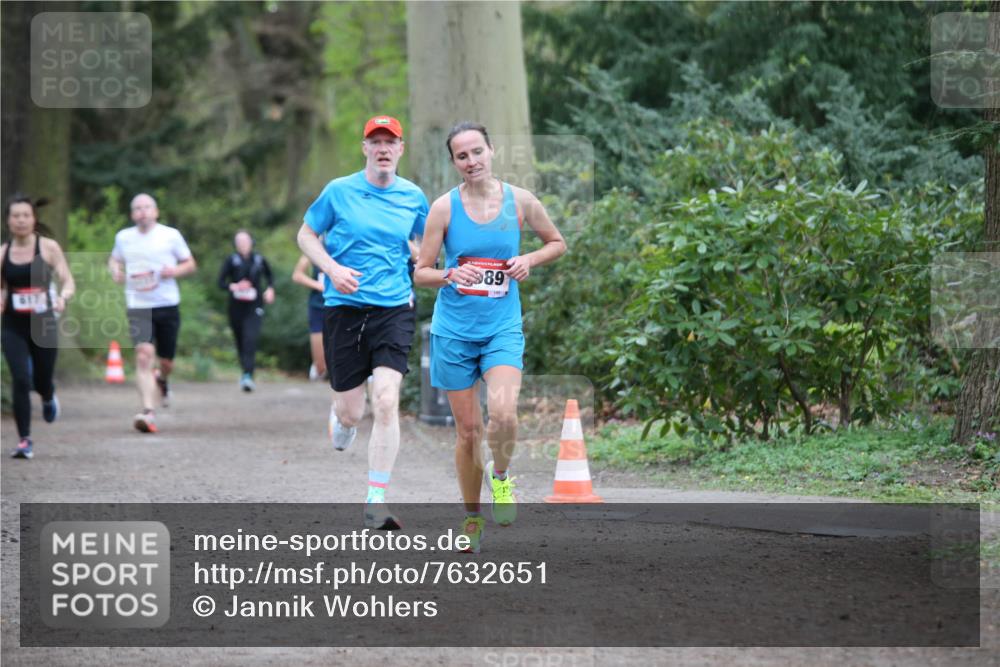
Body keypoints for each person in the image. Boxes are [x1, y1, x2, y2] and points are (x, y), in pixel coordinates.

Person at [414, 122, 566, 553]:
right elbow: (420, 272)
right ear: (454, 163)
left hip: (501, 326)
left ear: (491, 150)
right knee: (467, 432)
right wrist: (447, 273)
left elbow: (557, 242)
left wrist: (529, 260)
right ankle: (471, 519)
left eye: (477, 151)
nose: (472, 161)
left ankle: (501, 478)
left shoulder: (520, 201)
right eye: (462, 156)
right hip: (454, 333)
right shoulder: (443, 209)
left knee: (503, 415)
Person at [297, 115, 428, 530]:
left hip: (393, 307)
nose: (384, 149)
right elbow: (305, 236)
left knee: (387, 399)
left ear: (401, 149)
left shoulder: (413, 197)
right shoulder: (339, 191)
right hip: (344, 307)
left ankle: (376, 500)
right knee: (353, 412)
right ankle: (342, 419)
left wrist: (423, 256)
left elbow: (425, 243)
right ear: (365, 148)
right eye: (377, 142)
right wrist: (332, 270)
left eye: (391, 142)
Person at [108, 193, 196, 433]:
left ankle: (163, 379)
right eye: (137, 208)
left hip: (166, 303)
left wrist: (174, 271)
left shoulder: (170, 235)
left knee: (166, 361)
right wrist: (115, 271)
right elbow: (114, 260)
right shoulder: (124, 237)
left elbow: (190, 263)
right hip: (138, 304)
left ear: (155, 212)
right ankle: (148, 411)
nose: (142, 211)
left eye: (147, 207)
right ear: (132, 214)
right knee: (144, 354)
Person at [0, 195, 75, 459]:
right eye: (15, 216)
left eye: (25, 215)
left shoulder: (48, 247)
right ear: (8, 221)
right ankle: (24, 440)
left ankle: (47, 395)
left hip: (43, 323)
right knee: (21, 379)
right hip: (12, 326)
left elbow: (67, 282)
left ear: (34, 219)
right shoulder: (3, 253)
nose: (21, 220)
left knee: (41, 379)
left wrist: (63, 298)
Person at [218, 230, 275, 392]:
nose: (242, 244)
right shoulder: (231, 260)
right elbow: (220, 282)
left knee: (250, 339)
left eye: (245, 241)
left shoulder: (259, 260)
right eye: (239, 241)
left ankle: (248, 376)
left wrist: (270, 289)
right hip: (236, 307)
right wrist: (234, 286)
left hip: (254, 306)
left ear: (251, 242)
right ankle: (245, 371)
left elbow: (270, 277)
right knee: (240, 340)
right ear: (236, 244)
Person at [291, 253, 328, 382]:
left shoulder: (347, 243)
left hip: (342, 306)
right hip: (318, 306)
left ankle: (340, 400)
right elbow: (297, 275)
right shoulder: (315, 246)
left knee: (341, 359)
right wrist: (319, 286)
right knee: (321, 367)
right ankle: (318, 367)